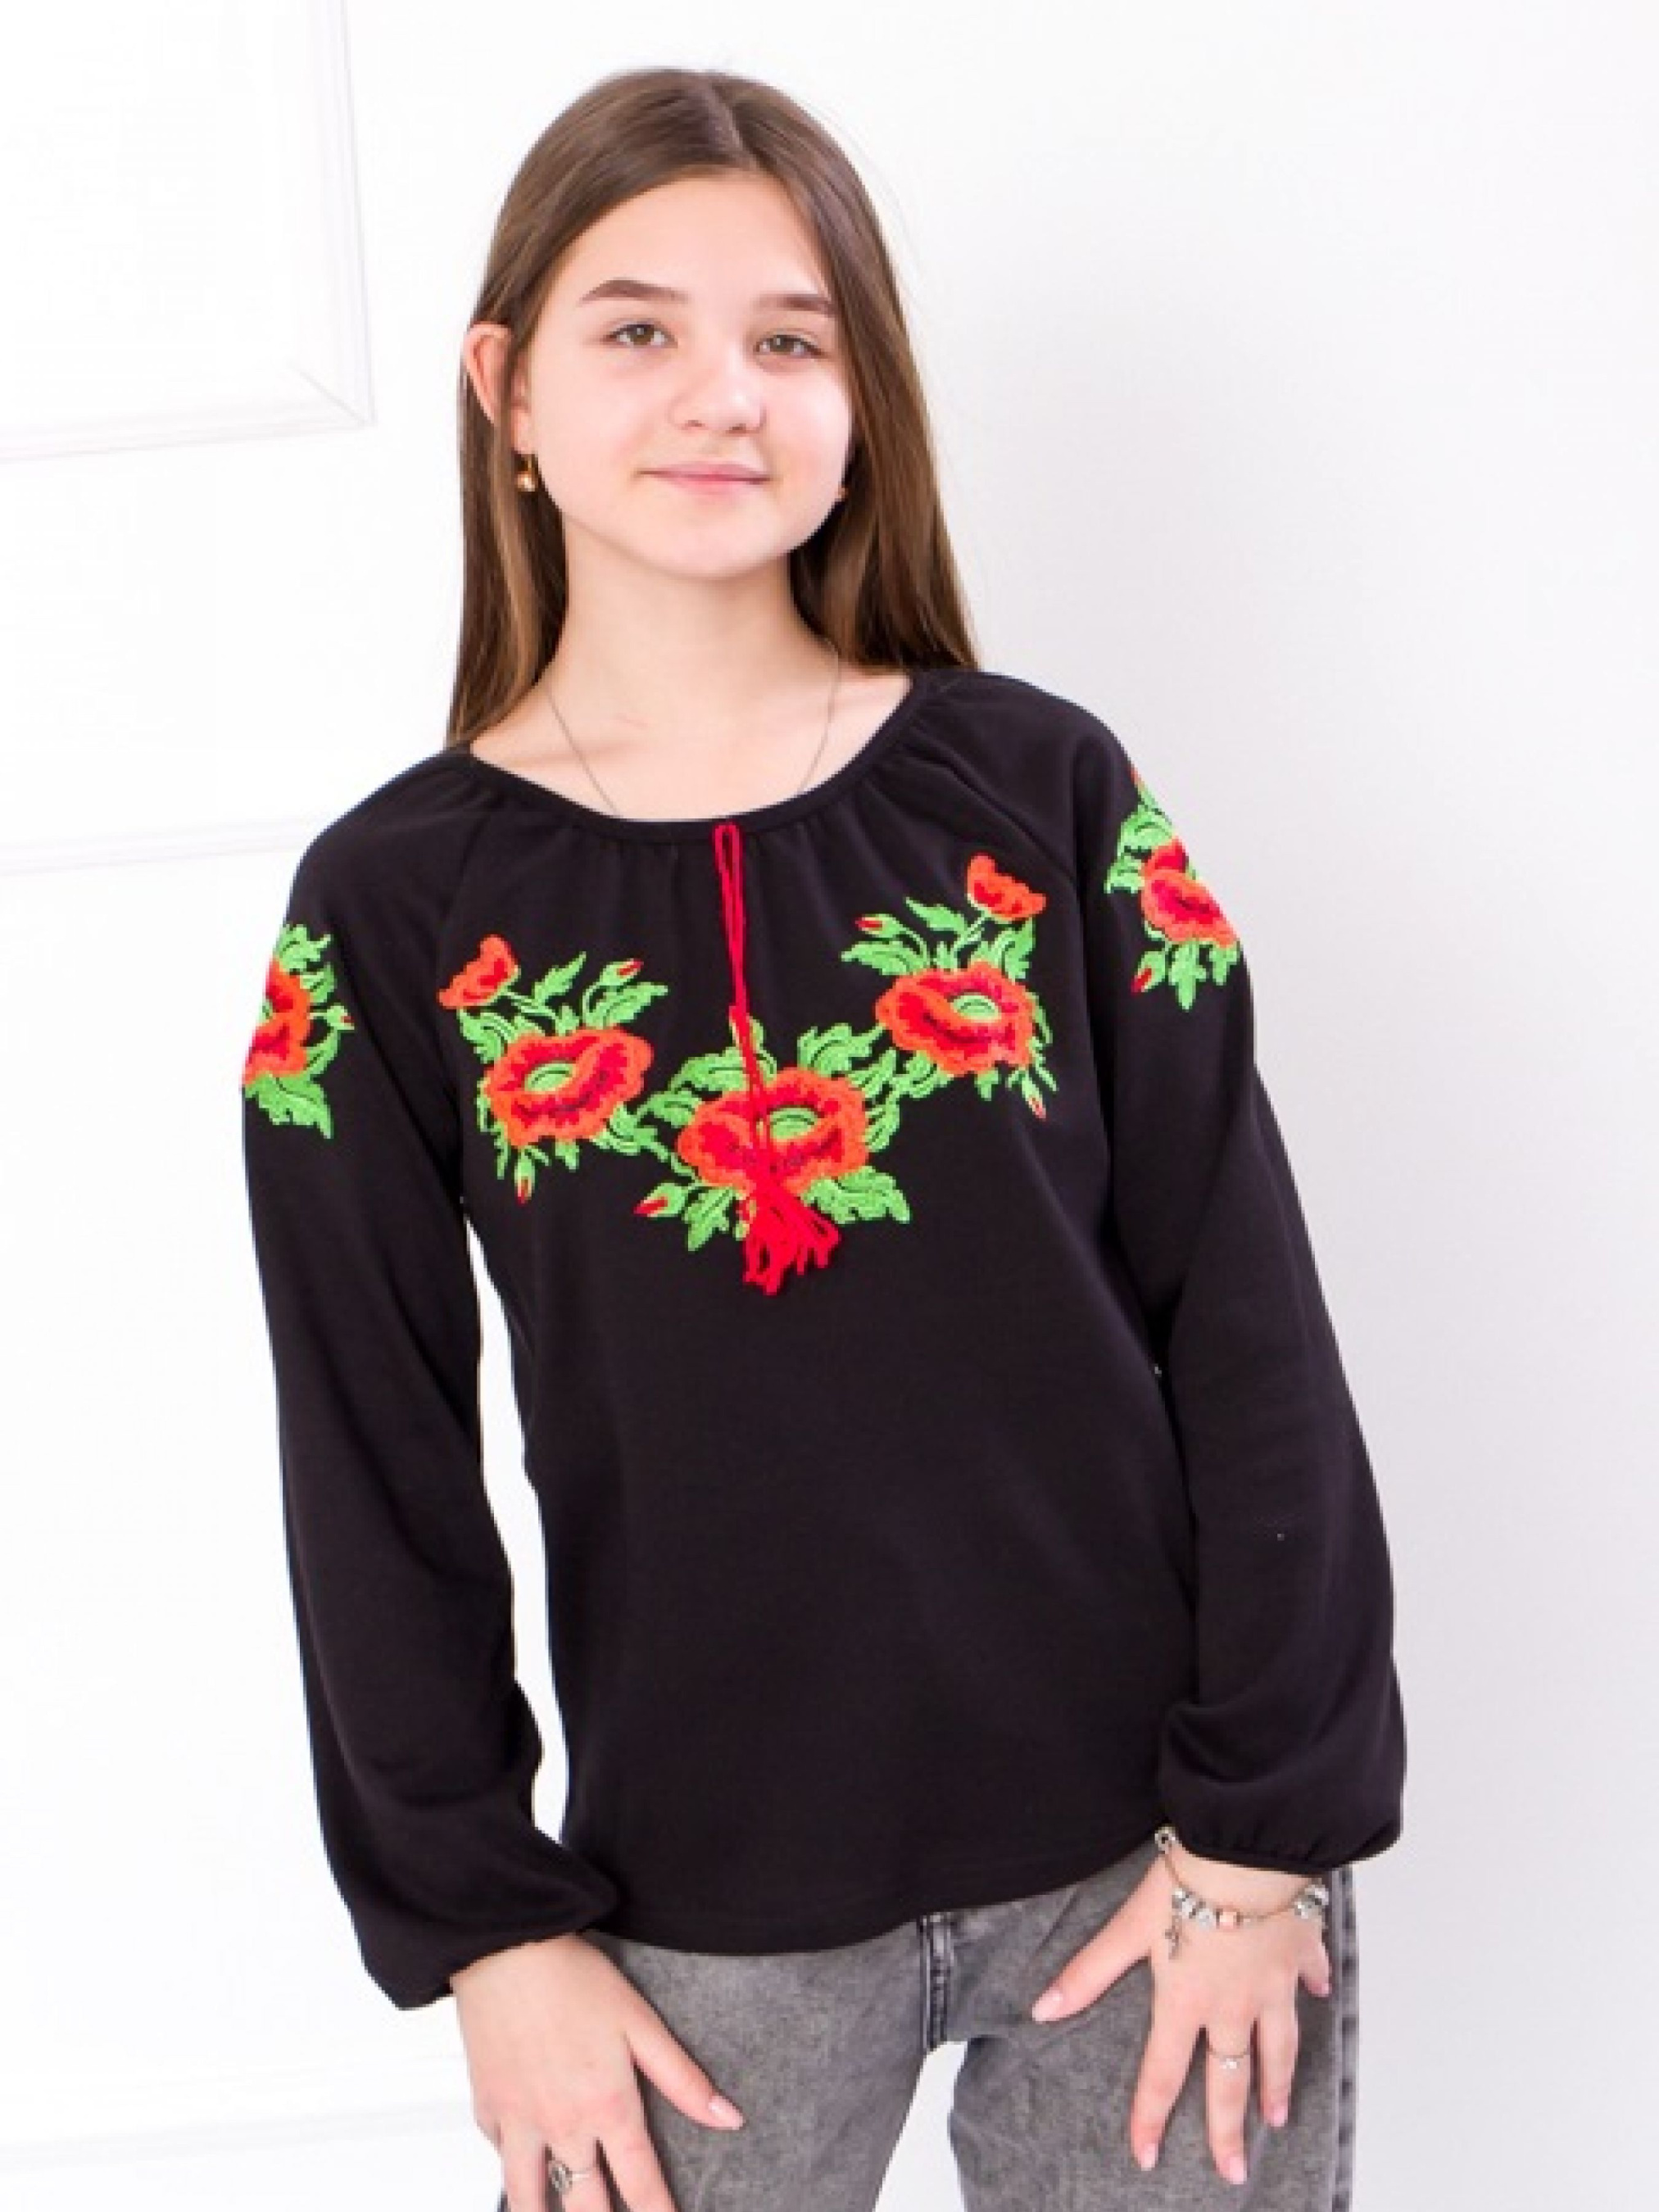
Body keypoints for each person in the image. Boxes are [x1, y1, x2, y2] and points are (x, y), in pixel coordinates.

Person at [239, 64, 1405, 2212]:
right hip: (689, 1928)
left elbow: (1247, 1321)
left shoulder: (1036, 792)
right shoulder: (391, 908)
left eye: (792, 337)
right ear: (506, 390)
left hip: (1158, 1878)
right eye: (638, 329)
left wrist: (1263, 1834)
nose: (723, 395)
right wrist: (488, 1932)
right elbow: (369, 1453)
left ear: (860, 401)